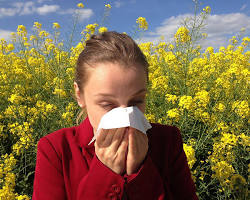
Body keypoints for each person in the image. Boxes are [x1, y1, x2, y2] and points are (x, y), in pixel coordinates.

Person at [32, 31, 199, 200]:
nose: (126, 116)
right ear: (80, 95)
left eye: (136, 102)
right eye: (107, 104)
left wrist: (141, 171)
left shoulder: (167, 141)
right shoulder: (56, 149)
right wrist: (105, 173)